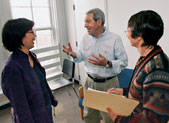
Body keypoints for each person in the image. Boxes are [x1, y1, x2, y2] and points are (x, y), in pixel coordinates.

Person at [63, 8, 128, 123]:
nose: (85, 25)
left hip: (109, 84)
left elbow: (123, 62)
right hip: (90, 83)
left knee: (110, 118)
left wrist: (107, 63)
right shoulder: (85, 38)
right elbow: (81, 56)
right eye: (85, 22)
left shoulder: (114, 39)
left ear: (99, 22)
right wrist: (73, 54)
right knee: (90, 116)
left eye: (88, 21)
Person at [106, 10, 169, 123]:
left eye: (128, 31)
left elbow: (153, 118)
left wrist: (119, 119)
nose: (127, 35)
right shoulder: (148, 57)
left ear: (139, 37)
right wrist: (124, 92)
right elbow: (146, 92)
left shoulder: (157, 70)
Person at [1, 18, 58, 123]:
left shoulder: (32, 56)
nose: (35, 36)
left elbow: (42, 83)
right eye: (31, 32)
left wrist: (51, 99)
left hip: (45, 108)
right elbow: (20, 106)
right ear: (19, 36)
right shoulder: (12, 68)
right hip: (32, 116)